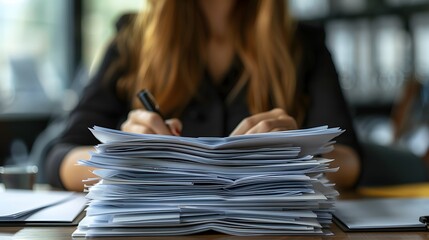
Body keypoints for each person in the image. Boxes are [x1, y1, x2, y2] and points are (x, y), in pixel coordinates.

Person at [46, 0, 361, 192]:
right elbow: (61, 155)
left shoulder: (304, 44)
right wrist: (124, 156)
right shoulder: (131, 42)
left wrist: (297, 151)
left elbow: (348, 160)